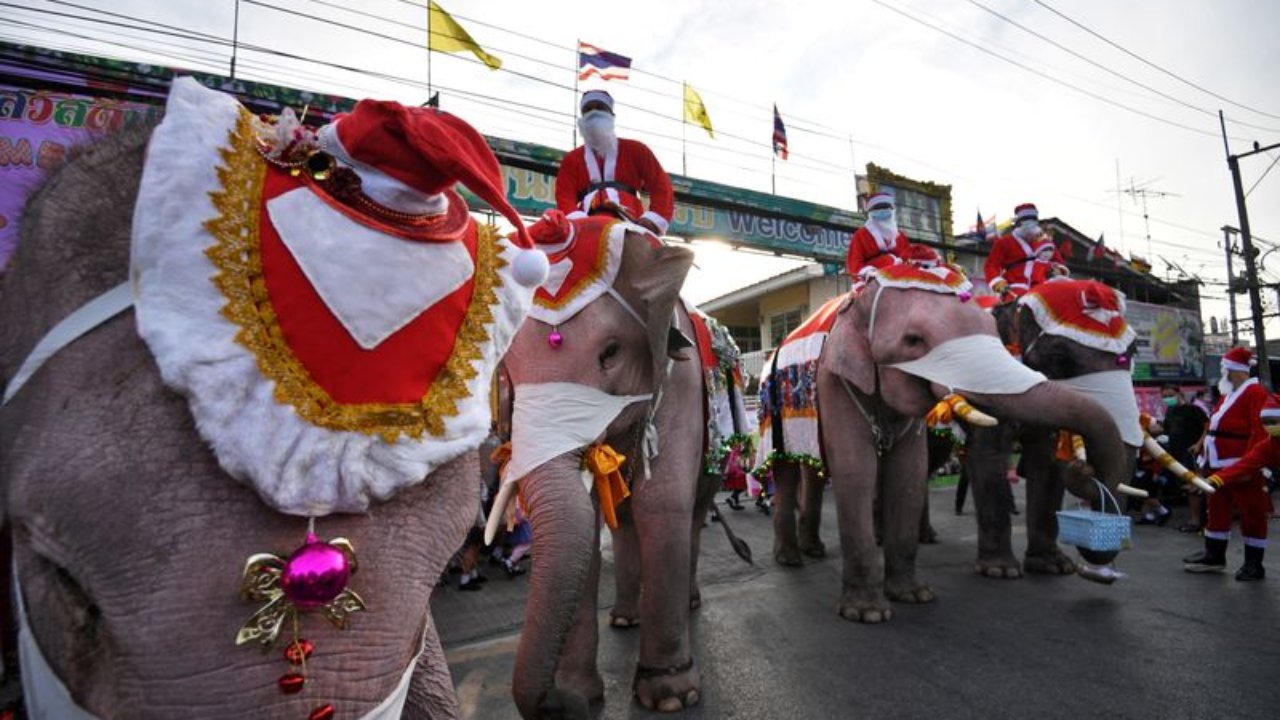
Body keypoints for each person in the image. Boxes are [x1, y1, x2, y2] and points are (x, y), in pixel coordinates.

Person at [1184, 347, 1270, 578]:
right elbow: (1214, 427)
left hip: (1242, 465)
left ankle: (1254, 563)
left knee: (1252, 512)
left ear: (1232, 369)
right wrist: (1204, 456)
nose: (1222, 373)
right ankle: (1214, 556)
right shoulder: (1227, 394)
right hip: (1217, 463)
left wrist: (1250, 465)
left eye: (1224, 368)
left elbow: (1259, 431)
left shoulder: (1256, 393)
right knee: (1216, 509)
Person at [554, 90, 673, 235]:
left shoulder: (637, 150)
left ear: (612, 115)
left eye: (600, 107)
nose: (593, 113)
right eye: (588, 109)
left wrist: (653, 219)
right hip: (585, 228)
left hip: (632, 223)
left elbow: (661, 185)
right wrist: (577, 222)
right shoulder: (572, 159)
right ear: (582, 118)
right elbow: (564, 196)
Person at [1199, 393, 1280, 581]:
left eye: (1274, 420)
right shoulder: (1268, 445)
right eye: (1266, 421)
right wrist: (1214, 480)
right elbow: (1242, 465)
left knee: (1254, 514)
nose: (1270, 425)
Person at [983, 203, 1068, 298]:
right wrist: (998, 282)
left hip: (1042, 285)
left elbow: (1058, 261)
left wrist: (1059, 270)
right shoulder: (1004, 242)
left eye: (1034, 220)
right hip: (1015, 286)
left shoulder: (1045, 242)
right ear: (1019, 223)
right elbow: (991, 265)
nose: (1031, 225)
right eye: (1027, 221)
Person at [846, 191, 911, 277]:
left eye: (885, 207)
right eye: (877, 208)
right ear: (870, 212)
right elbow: (855, 263)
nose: (882, 210)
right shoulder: (861, 235)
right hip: (869, 280)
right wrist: (869, 273)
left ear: (892, 210)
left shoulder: (901, 237)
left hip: (900, 279)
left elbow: (908, 260)